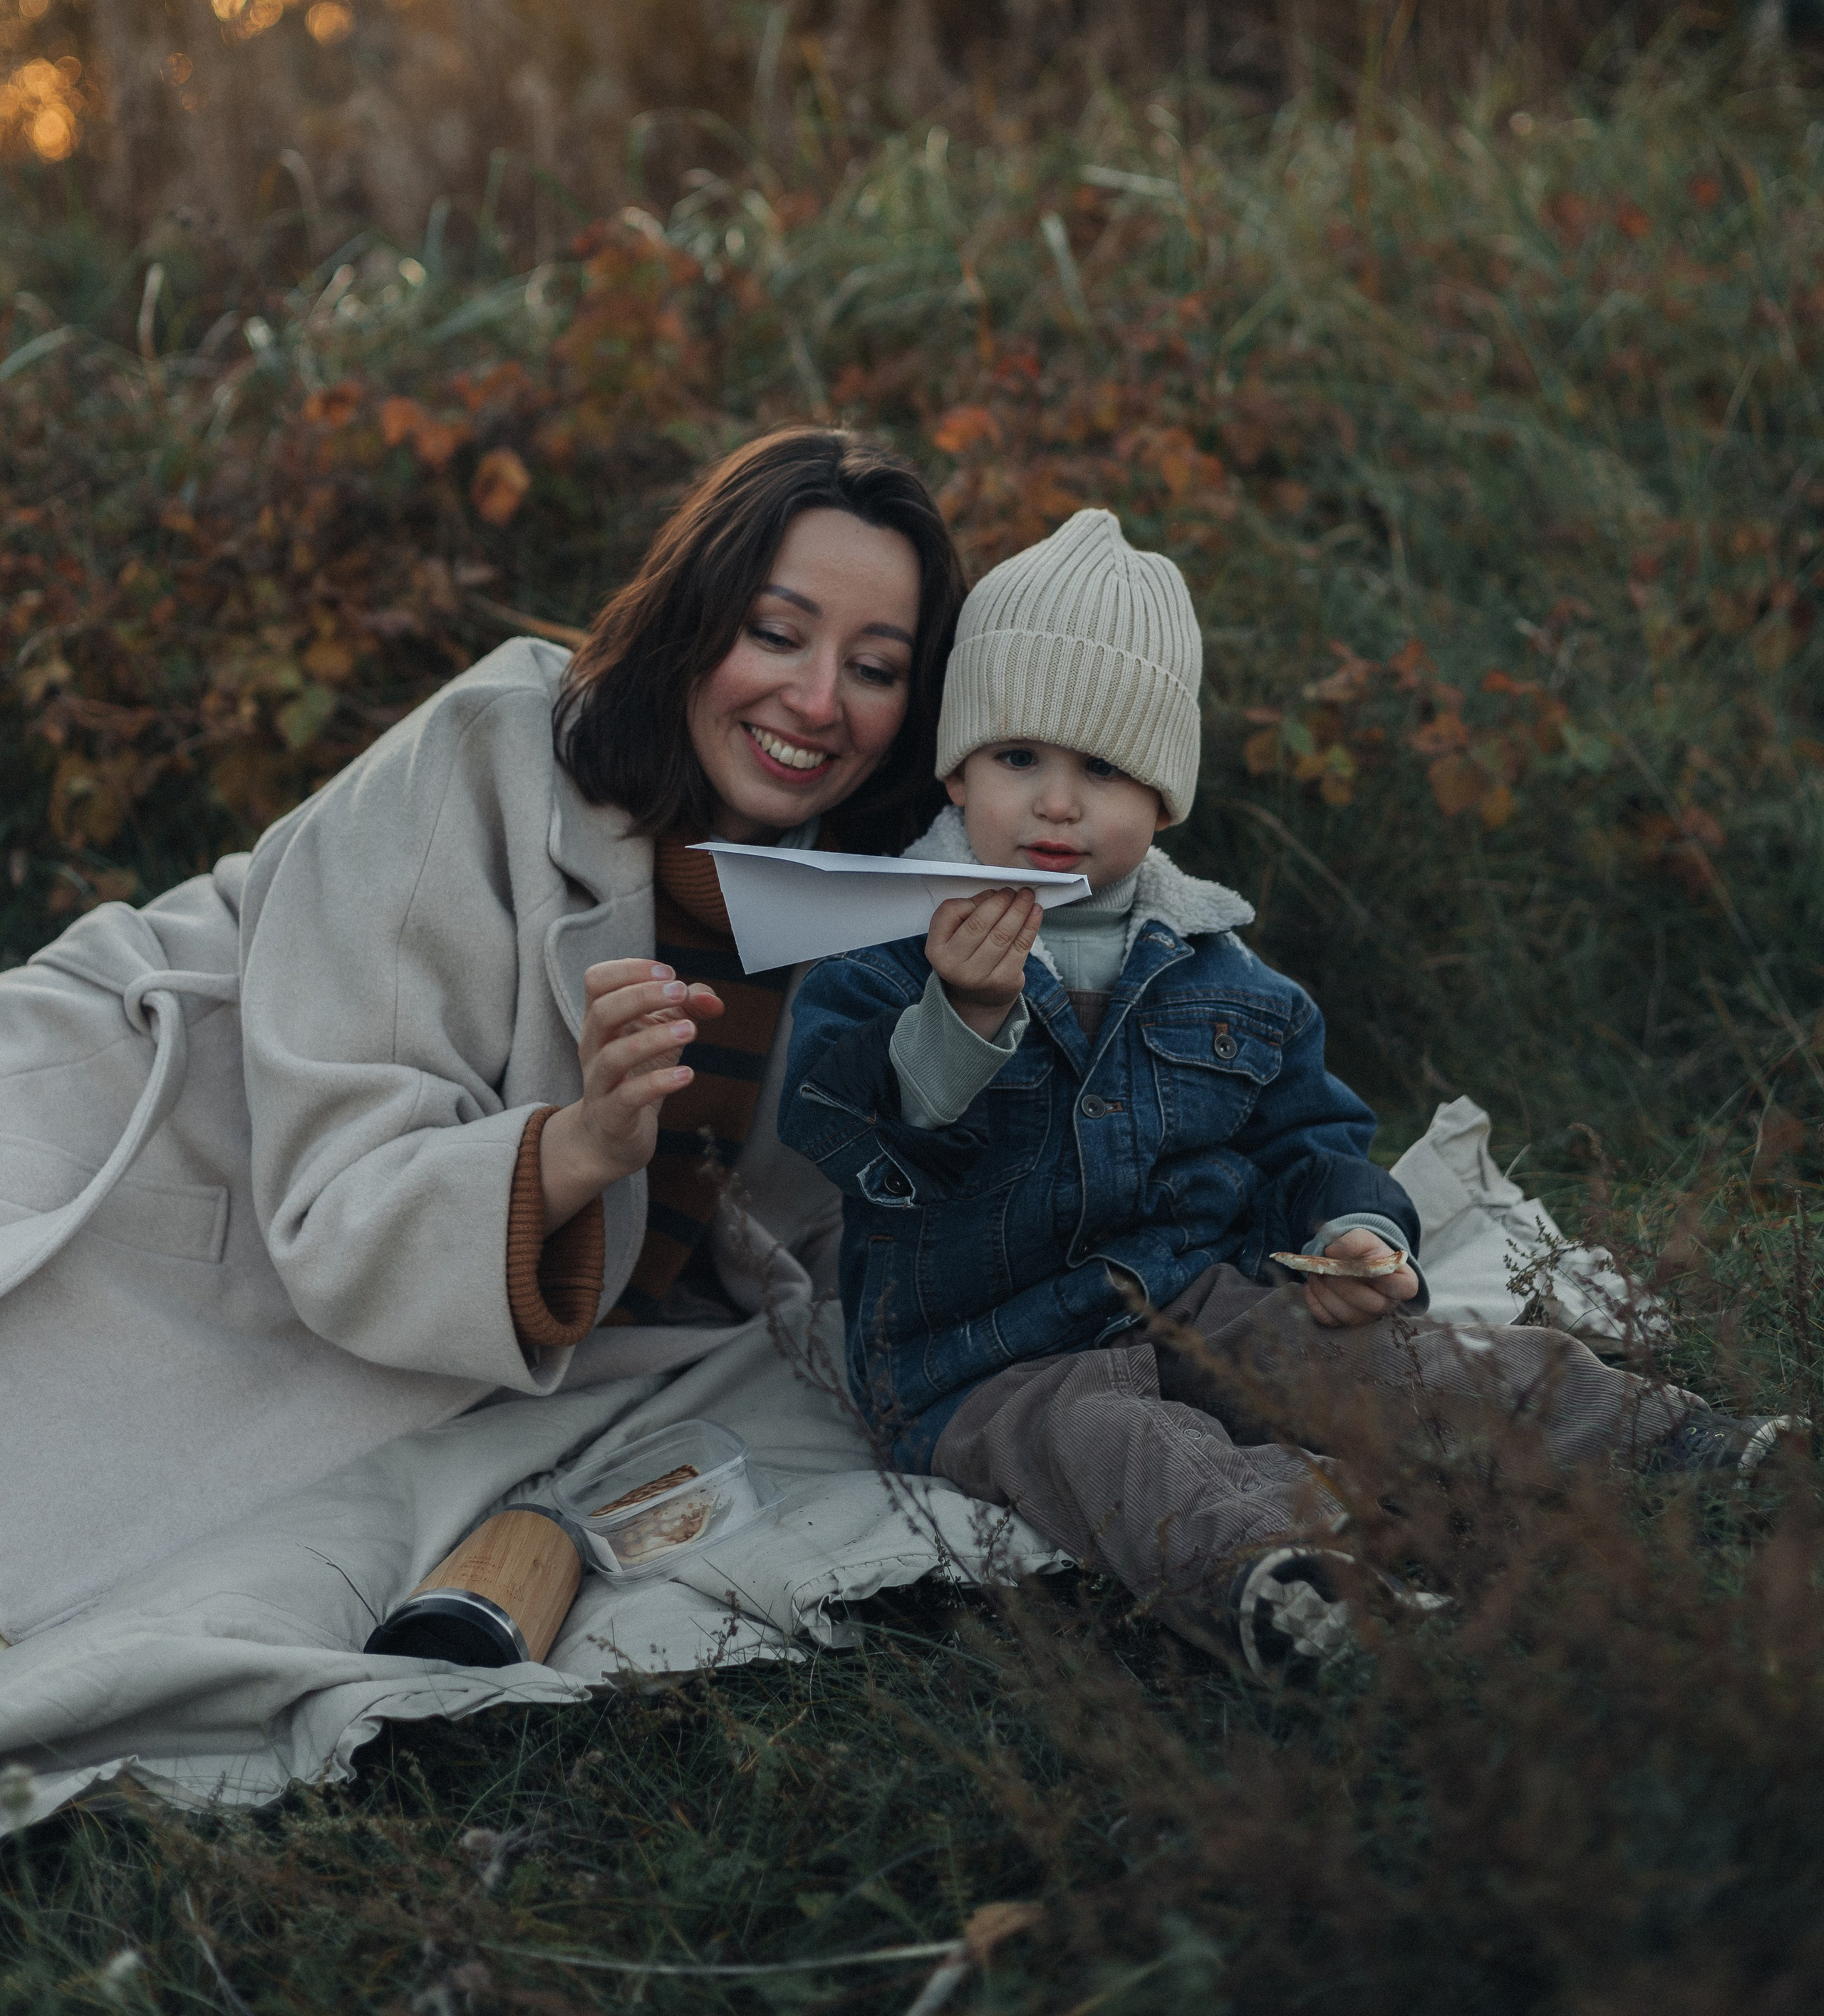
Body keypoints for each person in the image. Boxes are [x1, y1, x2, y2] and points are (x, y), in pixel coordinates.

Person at [781, 510, 1798, 1678]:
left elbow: (1311, 1137)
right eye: (1019, 758)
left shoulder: (1226, 978)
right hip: (982, 1354)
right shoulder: (882, 953)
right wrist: (957, 1018)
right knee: (1111, 1442)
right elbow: (849, 1135)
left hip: (1196, 1295)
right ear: (958, 766)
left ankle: (1673, 1444)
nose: (1057, 803)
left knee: (1401, 1362)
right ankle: (1287, 1580)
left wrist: (1357, 1229)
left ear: (1162, 798)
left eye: (1102, 767)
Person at [0, 427, 965, 1645]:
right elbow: (344, 1203)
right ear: (694, 617)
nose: (817, 702)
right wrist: (586, 1138)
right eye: (775, 634)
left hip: (475, 1313)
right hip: (181, 1153)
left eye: (873, 667)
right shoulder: (491, 752)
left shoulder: (866, 901)